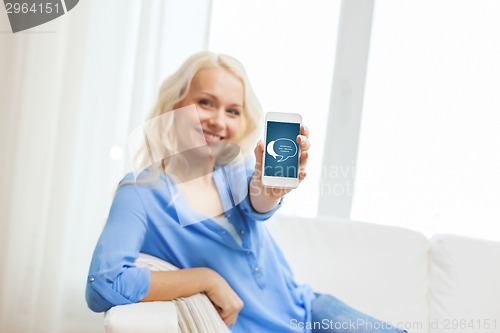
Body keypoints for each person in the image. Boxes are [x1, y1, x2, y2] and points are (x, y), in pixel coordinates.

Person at [86, 51, 407, 333]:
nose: (217, 120)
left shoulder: (234, 170)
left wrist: (271, 189)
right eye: (205, 102)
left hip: (314, 312)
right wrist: (206, 279)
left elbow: (258, 200)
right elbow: (103, 284)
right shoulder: (140, 193)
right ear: (174, 105)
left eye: (233, 111)